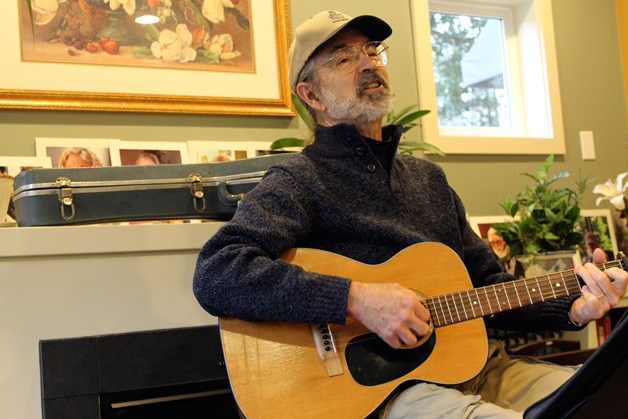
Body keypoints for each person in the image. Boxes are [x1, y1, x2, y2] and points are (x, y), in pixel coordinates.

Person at [193, 10, 627, 417]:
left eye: (372, 51)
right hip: (389, 392)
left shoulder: (429, 180)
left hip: (479, 367)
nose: (367, 64)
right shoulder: (299, 179)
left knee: (600, 397)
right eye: (343, 58)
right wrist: (356, 300)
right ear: (311, 95)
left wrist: (573, 309)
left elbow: (490, 291)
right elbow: (218, 271)